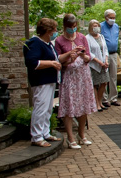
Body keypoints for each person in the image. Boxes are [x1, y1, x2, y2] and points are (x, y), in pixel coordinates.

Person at [54, 14, 96, 149]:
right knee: (70, 106)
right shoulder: (59, 40)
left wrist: (82, 54)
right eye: (70, 27)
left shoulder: (81, 37)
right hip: (69, 76)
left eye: (74, 27)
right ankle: (70, 137)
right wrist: (70, 54)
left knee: (83, 105)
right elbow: (58, 59)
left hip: (83, 76)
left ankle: (81, 135)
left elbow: (88, 57)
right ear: (64, 27)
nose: (73, 29)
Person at [23, 18, 64, 147]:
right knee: (40, 108)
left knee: (47, 109)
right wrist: (51, 63)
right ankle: (36, 136)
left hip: (50, 80)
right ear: (48, 31)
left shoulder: (48, 44)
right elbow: (32, 62)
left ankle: (45, 132)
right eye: (54, 30)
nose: (56, 32)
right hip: (41, 81)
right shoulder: (35, 43)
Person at [86, 19, 110, 113]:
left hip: (104, 64)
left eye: (97, 26)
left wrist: (106, 61)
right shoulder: (87, 38)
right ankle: (96, 104)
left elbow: (105, 50)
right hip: (94, 65)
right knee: (95, 84)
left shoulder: (101, 37)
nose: (96, 28)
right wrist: (99, 62)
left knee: (104, 82)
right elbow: (89, 52)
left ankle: (100, 101)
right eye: (94, 26)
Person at [100, 9, 121, 107]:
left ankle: (113, 98)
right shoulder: (101, 26)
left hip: (113, 54)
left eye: (114, 18)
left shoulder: (116, 27)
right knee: (104, 77)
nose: (113, 19)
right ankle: (104, 99)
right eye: (111, 18)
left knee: (113, 77)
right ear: (106, 17)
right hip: (104, 55)